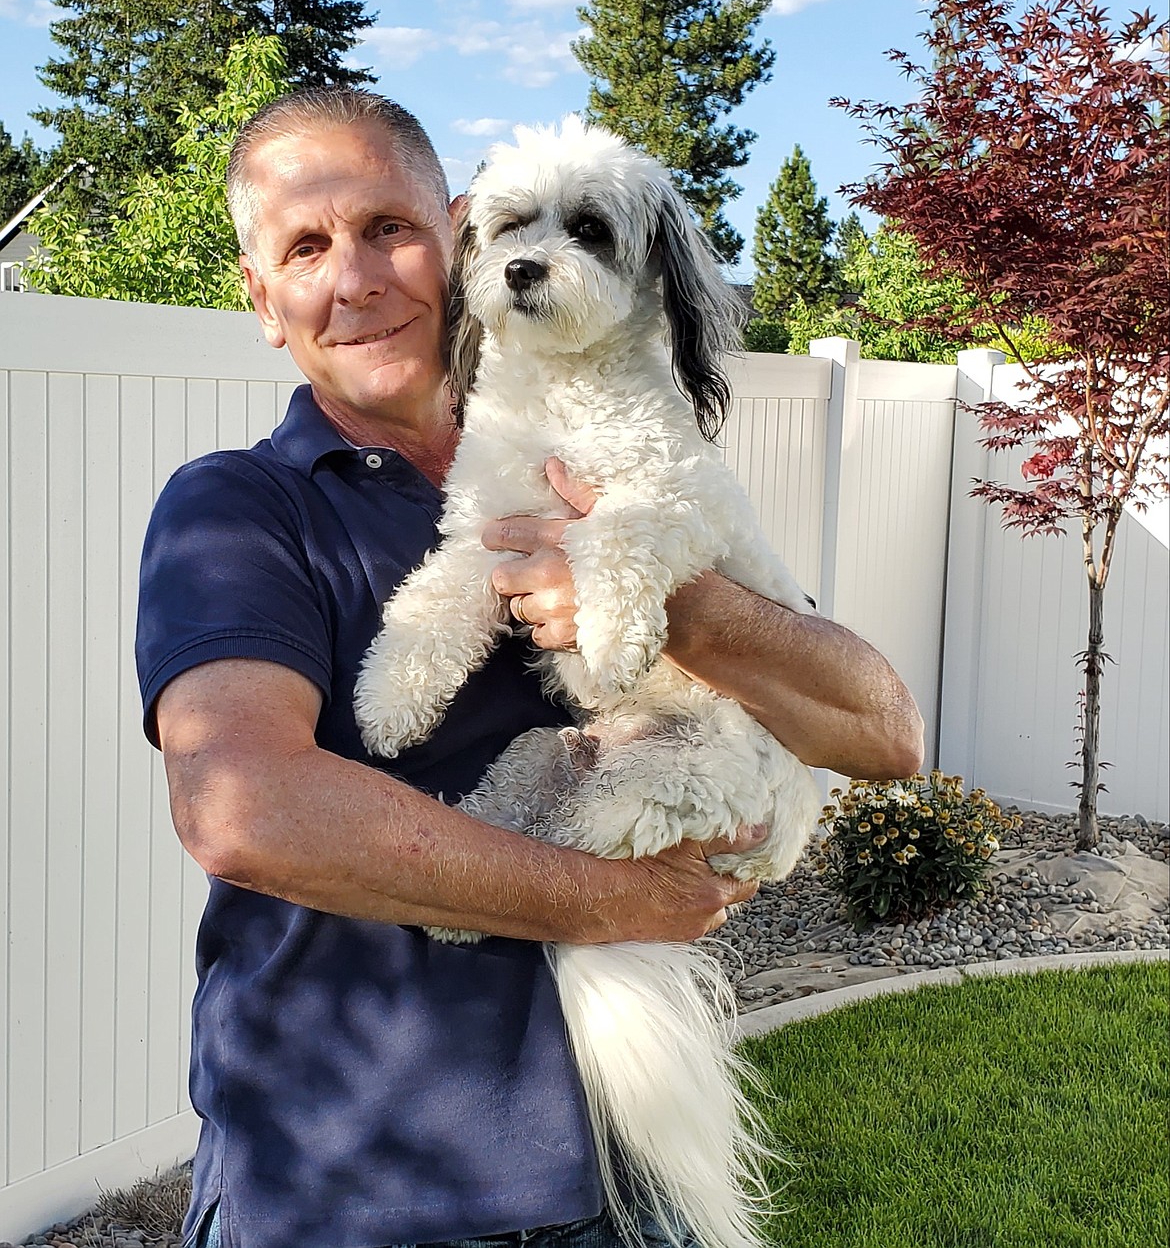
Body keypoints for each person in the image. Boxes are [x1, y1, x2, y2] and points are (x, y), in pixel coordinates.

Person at [137, 88, 924, 1248]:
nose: (355, 279)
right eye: (305, 247)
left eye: (389, 229)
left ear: (456, 238)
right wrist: (626, 902)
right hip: (348, 1179)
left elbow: (883, 729)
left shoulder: (609, 451)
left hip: (611, 1177)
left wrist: (680, 608)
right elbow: (243, 808)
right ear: (264, 300)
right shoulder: (240, 508)